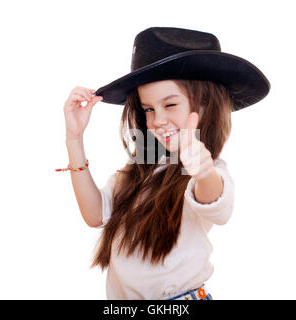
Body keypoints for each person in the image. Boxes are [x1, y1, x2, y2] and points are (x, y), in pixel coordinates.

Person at [57, 27, 270, 300]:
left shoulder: (207, 171)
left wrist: (203, 172)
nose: (157, 120)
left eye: (170, 105)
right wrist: (74, 138)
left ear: (205, 105)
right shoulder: (140, 171)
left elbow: (216, 203)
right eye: (148, 109)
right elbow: (95, 215)